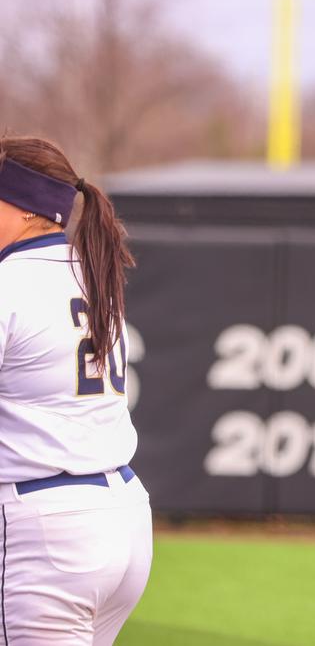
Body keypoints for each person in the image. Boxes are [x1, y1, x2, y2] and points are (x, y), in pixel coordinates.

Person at [0, 136, 151, 645]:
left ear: (25, 212)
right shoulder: (90, 272)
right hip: (123, 514)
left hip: (47, 528)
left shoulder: (9, 284)